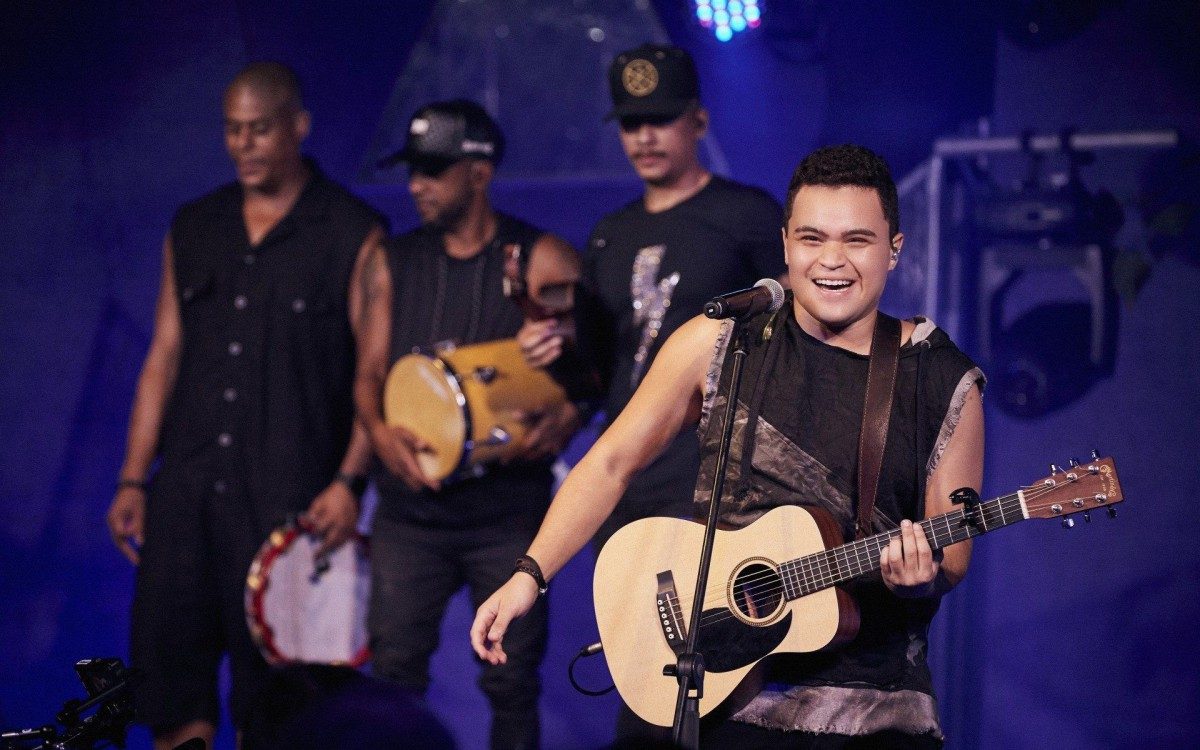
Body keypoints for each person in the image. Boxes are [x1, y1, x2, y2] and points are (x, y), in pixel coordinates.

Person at [473, 144, 986, 748]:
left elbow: (952, 552)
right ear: (786, 245)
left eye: (857, 240)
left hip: (872, 712)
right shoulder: (723, 341)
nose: (832, 261)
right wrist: (530, 574)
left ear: (893, 251)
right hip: (726, 688)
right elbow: (611, 462)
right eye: (812, 238)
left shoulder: (941, 377)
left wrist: (918, 578)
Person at [105, 62, 385, 750]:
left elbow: (377, 376)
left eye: (259, 129)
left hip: (289, 502)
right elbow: (162, 357)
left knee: (285, 712)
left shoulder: (353, 232)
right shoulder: (195, 225)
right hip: (187, 496)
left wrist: (350, 482)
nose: (244, 145)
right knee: (174, 698)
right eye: (233, 130)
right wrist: (134, 476)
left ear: (298, 127)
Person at [355, 99, 582, 750]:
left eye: (433, 170)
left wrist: (565, 421)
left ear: (478, 174)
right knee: (393, 680)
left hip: (506, 518)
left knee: (511, 685)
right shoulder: (390, 263)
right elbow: (367, 375)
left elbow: (591, 372)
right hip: (410, 516)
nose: (416, 185)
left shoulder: (541, 260)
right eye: (413, 170)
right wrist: (377, 432)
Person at [519, 43, 786, 550]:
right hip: (625, 474)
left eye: (660, 119)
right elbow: (601, 363)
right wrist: (551, 349)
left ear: (699, 121)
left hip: (713, 474)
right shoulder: (609, 234)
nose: (644, 137)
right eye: (629, 123)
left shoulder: (747, 214)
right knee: (624, 626)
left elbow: (796, 331)